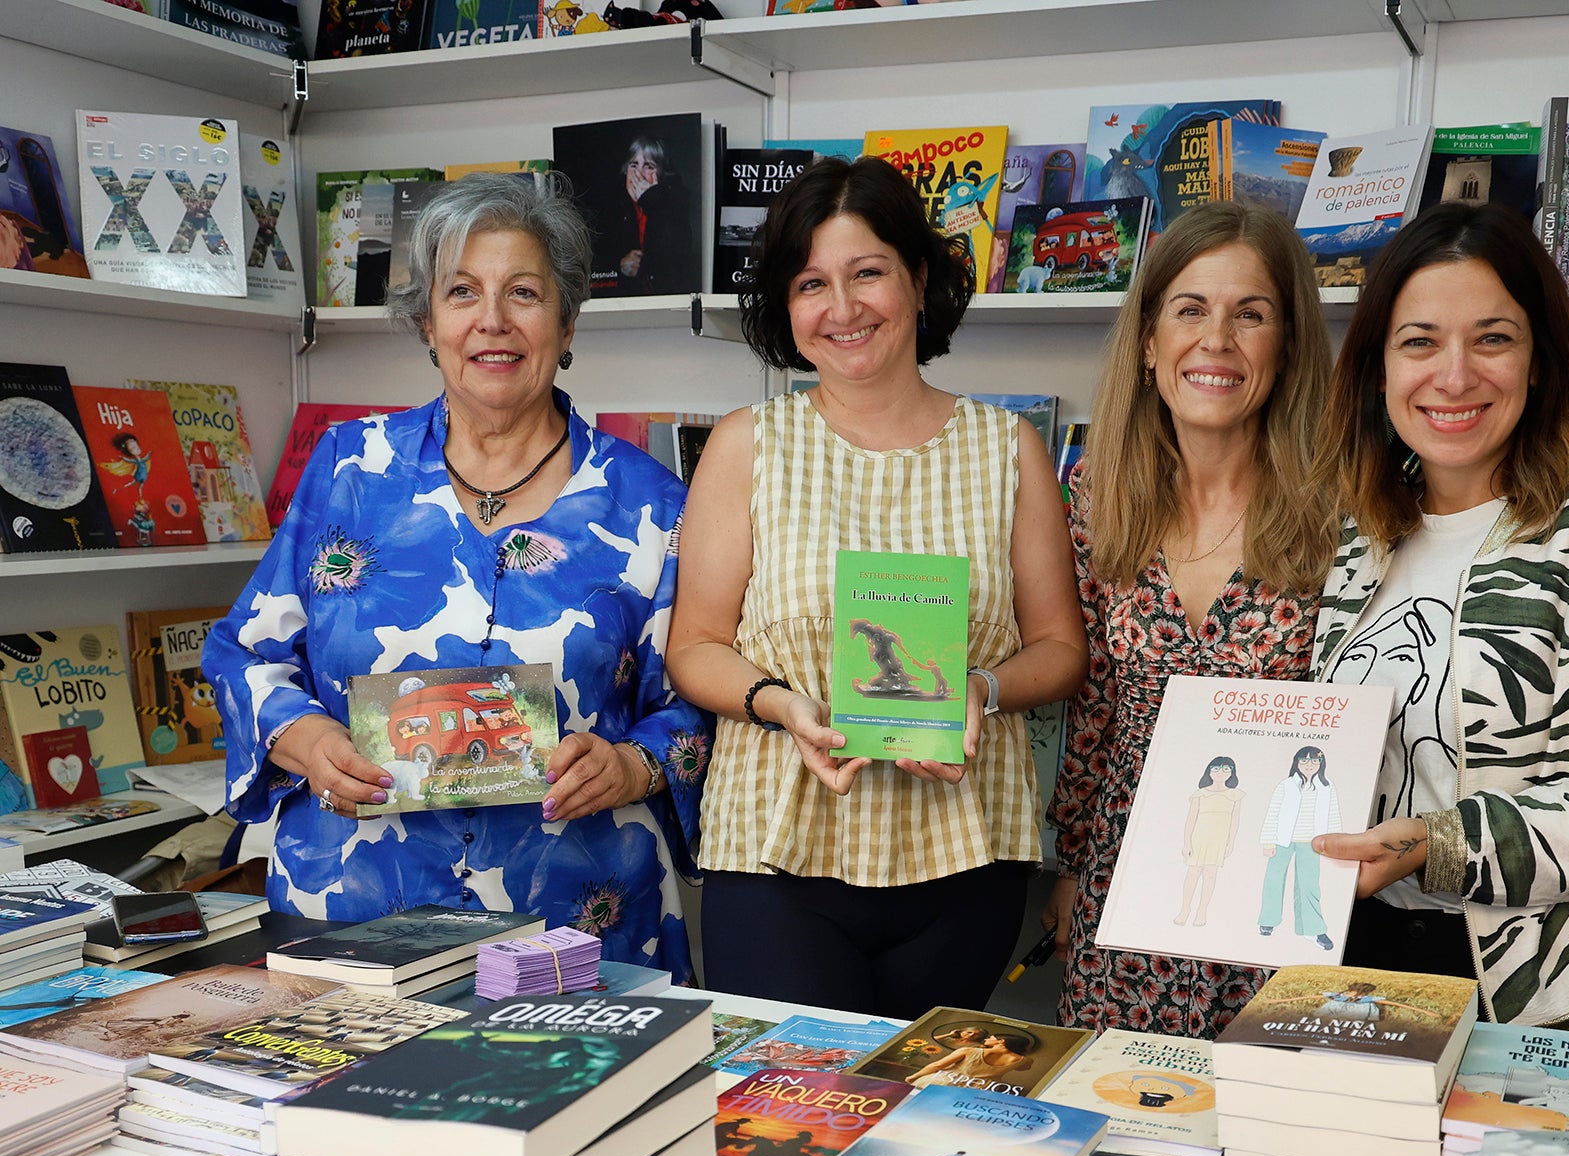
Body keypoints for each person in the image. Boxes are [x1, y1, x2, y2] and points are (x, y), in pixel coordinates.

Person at [204, 174, 711, 976]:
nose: (493, 321)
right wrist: (304, 739)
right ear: (429, 323)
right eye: (463, 292)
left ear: (568, 319)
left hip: (578, 923)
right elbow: (243, 652)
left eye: (524, 294)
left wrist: (630, 767)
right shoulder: (349, 468)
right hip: (351, 910)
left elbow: (699, 710)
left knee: (585, 1105)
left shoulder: (652, 506)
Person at [667, 156, 1085, 1016]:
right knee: (794, 1122)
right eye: (812, 283)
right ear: (787, 305)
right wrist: (784, 705)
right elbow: (696, 648)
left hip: (966, 852)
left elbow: (1060, 650)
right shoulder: (748, 444)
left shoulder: (1008, 449)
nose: (844, 308)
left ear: (919, 279)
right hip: (775, 846)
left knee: (916, 1125)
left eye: (869, 273)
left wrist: (981, 686)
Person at [1309, 201, 1569, 1048]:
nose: (1455, 376)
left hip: (1565, 1000)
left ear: (1539, 361)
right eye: (1420, 341)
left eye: (1493, 338)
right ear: (1378, 368)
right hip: (1368, 972)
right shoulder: (1353, 542)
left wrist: (1444, 845)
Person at [1045, 202, 1341, 1039]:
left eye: (1251, 314)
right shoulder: (1096, 503)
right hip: (1128, 891)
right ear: (1147, 343)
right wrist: (1071, 867)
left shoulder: (1345, 514)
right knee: (1127, 1144)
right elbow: (1093, 709)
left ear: (1286, 349)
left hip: (1284, 901)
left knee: (1275, 1153)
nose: (1217, 340)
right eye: (1190, 310)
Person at [591, 134, 691, 296]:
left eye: (649, 166)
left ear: (661, 173)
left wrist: (651, 200)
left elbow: (675, 262)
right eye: (634, 165)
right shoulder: (610, 207)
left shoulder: (676, 205)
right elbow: (592, 264)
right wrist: (620, 265)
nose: (639, 174)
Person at [1258, 744, 1337, 947]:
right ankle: (1268, 921)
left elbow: (1333, 815)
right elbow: (1273, 812)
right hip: (1282, 840)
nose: (1309, 765)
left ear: (1321, 763)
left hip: (1311, 842)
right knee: (1274, 880)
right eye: (1304, 760)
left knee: (1309, 885)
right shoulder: (1286, 785)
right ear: (1297, 763)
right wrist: (1268, 840)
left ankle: (1313, 929)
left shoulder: (1327, 787)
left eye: (1314, 761)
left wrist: (1337, 843)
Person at [1175, 756, 1241, 927]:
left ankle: (1202, 910)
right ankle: (1185, 909)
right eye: (1216, 768)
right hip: (1199, 838)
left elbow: (1235, 821)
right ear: (1209, 771)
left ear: (1232, 773)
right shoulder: (1200, 794)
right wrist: (1187, 842)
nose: (1221, 772)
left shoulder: (1235, 795)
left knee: (1210, 875)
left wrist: (1230, 842)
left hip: (1218, 840)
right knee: (1192, 873)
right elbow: (1190, 819)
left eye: (1226, 769)